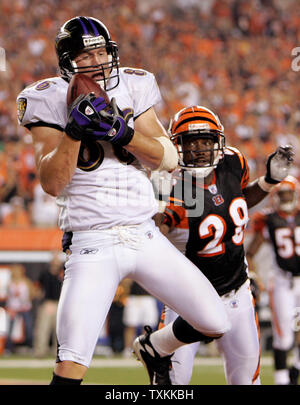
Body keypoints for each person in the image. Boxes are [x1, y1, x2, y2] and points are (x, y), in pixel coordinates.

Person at [16, 16, 232, 385]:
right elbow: (53, 183)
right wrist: (73, 131)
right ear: (68, 60)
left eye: (103, 51)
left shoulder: (134, 83)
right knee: (71, 363)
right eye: (87, 55)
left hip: (145, 235)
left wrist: (123, 132)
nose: (99, 61)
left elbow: (168, 157)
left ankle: (154, 347)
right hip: (92, 241)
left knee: (216, 321)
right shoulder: (45, 97)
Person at [148, 105, 294, 385]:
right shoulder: (167, 182)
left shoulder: (233, 161)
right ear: (177, 145)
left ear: (218, 142)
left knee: (247, 381)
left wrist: (269, 182)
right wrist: (160, 218)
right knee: (171, 384)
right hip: (187, 299)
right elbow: (157, 230)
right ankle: (155, 348)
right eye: (191, 142)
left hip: (236, 292)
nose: (200, 148)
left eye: (206, 140)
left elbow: (236, 202)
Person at [247, 175, 300, 385]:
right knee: (284, 337)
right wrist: (254, 275)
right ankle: (281, 381)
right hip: (282, 281)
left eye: (289, 193)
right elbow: (250, 253)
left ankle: (294, 373)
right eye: (282, 193)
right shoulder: (267, 219)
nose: (286, 197)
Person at [33, 251, 63, 358]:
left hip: (60, 304)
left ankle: (58, 353)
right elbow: (38, 288)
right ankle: (40, 351)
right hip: (47, 304)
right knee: (43, 329)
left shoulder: (64, 272)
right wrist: (43, 300)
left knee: (60, 331)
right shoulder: (45, 273)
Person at [122, 281, 159, 358]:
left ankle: (145, 349)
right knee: (131, 325)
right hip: (134, 297)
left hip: (148, 297)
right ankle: (127, 349)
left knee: (148, 326)